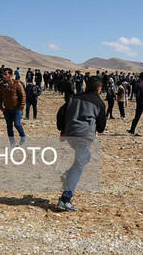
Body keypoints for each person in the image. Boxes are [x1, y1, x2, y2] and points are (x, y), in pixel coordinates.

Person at [57, 75, 106, 212]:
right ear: (98, 89)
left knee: (86, 157)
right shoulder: (99, 103)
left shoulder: (74, 98)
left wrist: (62, 129)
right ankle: (65, 199)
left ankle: (67, 175)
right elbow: (101, 127)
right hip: (83, 136)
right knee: (79, 165)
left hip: (70, 135)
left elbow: (61, 112)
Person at [0, 67, 26, 145]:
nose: (3, 76)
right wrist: (1, 107)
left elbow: (23, 96)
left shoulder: (17, 84)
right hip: (7, 110)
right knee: (9, 127)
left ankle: (23, 135)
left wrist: (21, 107)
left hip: (17, 109)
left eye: (5, 74)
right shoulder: (2, 85)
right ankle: (12, 143)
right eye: (3, 74)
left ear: (10, 75)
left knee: (17, 124)